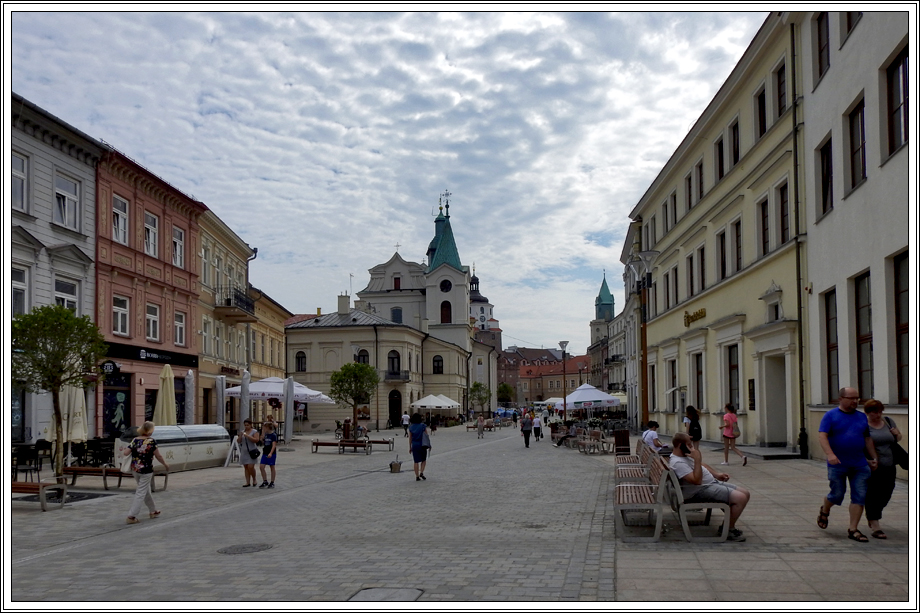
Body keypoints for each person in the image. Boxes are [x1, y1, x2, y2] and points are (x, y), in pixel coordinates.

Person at [817, 387, 879, 543]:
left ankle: (853, 529)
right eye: (851, 398)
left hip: (859, 463)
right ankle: (825, 508)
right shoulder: (830, 416)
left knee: (860, 495)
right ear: (841, 399)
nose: (855, 401)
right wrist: (830, 454)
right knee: (837, 494)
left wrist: (873, 457)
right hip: (838, 463)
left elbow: (867, 439)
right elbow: (822, 436)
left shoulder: (861, 417)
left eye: (857, 398)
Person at [669, 432, 750, 541]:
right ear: (680, 445)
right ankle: (728, 530)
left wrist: (716, 474)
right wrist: (697, 459)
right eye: (689, 444)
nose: (692, 447)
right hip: (698, 491)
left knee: (745, 493)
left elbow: (702, 465)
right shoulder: (677, 463)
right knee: (740, 498)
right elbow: (696, 481)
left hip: (709, 484)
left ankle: (728, 522)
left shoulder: (685, 455)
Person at [864, 399, 901, 539]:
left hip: (890, 464)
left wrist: (897, 434)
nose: (878, 415)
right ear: (868, 413)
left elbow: (897, 439)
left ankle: (874, 514)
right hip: (873, 465)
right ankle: (874, 523)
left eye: (880, 411)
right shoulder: (865, 426)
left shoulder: (888, 422)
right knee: (873, 493)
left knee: (887, 491)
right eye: (874, 412)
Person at [123, 421, 169, 524]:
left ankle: (153, 510)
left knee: (145, 489)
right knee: (141, 492)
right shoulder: (151, 441)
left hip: (135, 469)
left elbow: (126, 452)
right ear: (150, 431)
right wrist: (165, 464)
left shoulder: (134, 440)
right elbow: (158, 456)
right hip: (146, 470)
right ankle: (131, 516)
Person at [238, 419, 261, 487]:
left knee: (251, 467)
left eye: (248, 425)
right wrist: (240, 436)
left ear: (251, 425)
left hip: (252, 451)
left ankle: (254, 479)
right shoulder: (243, 432)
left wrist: (248, 436)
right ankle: (247, 482)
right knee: (246, 467)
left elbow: (256, 440)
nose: (246, 426)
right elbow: (239, 441)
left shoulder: (254, 431)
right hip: (244, 451)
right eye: (245, 425)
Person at [408, 413, 429, 481]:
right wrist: (429, 444)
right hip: (422, 444)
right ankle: (421, 472)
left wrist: (410, 447)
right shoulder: (423, 426)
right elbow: (426, 435)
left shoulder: (411, 427)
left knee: (416, 461)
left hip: (415, 445)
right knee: (423, 459)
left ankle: (417, 476)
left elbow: (410, 438)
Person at [259, 421, 278, 489]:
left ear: (267, 428)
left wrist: (271, 453)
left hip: (271, 453)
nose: (263, 429)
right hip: (265, 452)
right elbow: (261, 440)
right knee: (261, 466)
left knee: (272, 466)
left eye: (264, 428)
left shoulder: (273, 435)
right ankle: (265, 481)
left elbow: (274, 445)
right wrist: (262, 434)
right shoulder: (266, 434)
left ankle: (272, 482)